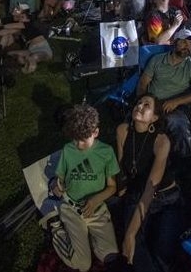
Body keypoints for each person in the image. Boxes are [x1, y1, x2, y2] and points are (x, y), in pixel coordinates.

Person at [116, 94, 181, 271]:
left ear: (154, 118)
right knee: (134, 247)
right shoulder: (122, 130)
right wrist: (122, 197)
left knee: (162, 253)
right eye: (138, 103)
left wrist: (129, 233)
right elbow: (122, 169)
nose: (140, 106)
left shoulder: (161, 142)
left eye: (147, 105)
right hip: (137, 193)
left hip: (165, 198)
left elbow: (149, 191)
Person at [51, 104, 119, 272]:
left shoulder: (106, 152)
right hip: (72, 208)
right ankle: (56, 228)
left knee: (110, 256)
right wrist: (57, 186)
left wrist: (96, 199)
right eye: (76, 139)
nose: (79, 145)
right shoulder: (68, 150)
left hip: (97, 209)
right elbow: (59, 179)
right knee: (83, 264)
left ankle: (88, 241)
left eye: (84, 139)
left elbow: (112, 187)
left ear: (95, 132)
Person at [137, 31, 191, 158]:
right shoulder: (157, 60)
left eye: (190, 43)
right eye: (183, 41)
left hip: (176, 106)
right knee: (137, 121)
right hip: (154, 102)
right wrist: (144, 101)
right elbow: (143, 83)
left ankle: (184, 164)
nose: (187, 46)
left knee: (177, 123)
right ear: (174, 42)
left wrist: (177, 101)